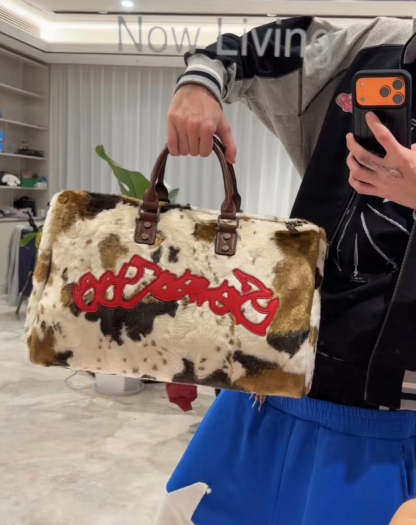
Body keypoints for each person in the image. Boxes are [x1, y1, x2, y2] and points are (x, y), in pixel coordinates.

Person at [154, 15, 416, 525]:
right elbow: (253, 48)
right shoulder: (369, 48)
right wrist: (199, 84)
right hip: (280, 373)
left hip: (394, 422)